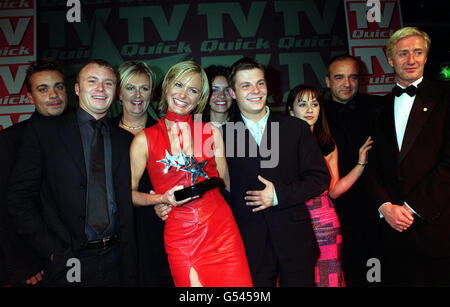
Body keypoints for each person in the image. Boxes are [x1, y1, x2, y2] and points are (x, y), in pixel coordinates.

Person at [7, 59, 138, 286]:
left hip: (117, 260)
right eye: (92, 81)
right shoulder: (45, 133)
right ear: (77, 89)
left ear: (115, 92)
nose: (100, 88)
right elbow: (19, 198)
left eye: (107, 83)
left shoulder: (126, 141)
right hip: (68, 261)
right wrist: (52, 249)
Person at [129, 61, 252, 287]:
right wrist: (160, 199)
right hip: (181, 237)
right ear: (166, 87)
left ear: (200, 99)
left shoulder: (211, 132)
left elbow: (229, 184)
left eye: (193, 90)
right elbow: (129, 194)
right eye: (179, 85)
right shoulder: (143, 140)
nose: (184, 94)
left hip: (222, 230)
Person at [224, 58, 331, 286]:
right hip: (248, 244)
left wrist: (278, 195)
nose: (255, 91)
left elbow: (320, 178)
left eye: (260, 83)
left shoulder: (295, 128)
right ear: (232, 93)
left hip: (295, 240)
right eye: (246, 85)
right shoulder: (223, 136)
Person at [367, 27, 450, 286]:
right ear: (390, 59)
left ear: (426, 57)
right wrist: (385, 207)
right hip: (391, 232)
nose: (411, 60)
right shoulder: (376, 108)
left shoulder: (446, 98)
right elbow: (369, 166)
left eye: (418, 52)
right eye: (403, 53)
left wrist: (411, 208)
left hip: (437, 229)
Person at [287, 84, 373, 286]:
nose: (310, 109)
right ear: (291, 110)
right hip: (293, 220)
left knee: (329, 279)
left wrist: (360, 164)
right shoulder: (280, 143)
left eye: (315, 104)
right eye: (302, 104)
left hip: (324, 220)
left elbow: (333, 190)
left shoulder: (327, 143)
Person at [0, 58, 68, 286]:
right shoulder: (11, 141)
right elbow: (7, 208)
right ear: (30, 97)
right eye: (43, 89)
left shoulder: (85, 130)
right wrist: (24, 263)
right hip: (39, 263)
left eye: (59, 86)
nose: (54, 95)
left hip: (87, 256)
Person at [112, 61, 173, 287]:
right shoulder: (104, 133)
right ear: (119, 93)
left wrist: (163, 203)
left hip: (156, 227)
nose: (137, 95)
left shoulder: (166, 133)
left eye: (144, 88)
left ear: (152, 93)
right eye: (130, 88)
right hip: (114, 230)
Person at [323, 55, 380, 286]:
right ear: (327, 81)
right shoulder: (317, 113)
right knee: (341, 268)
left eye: (352, 77)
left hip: (373, 201)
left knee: (374, 266)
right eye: (339, 77)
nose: (347, 84)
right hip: (334, 204)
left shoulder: (377, 108)